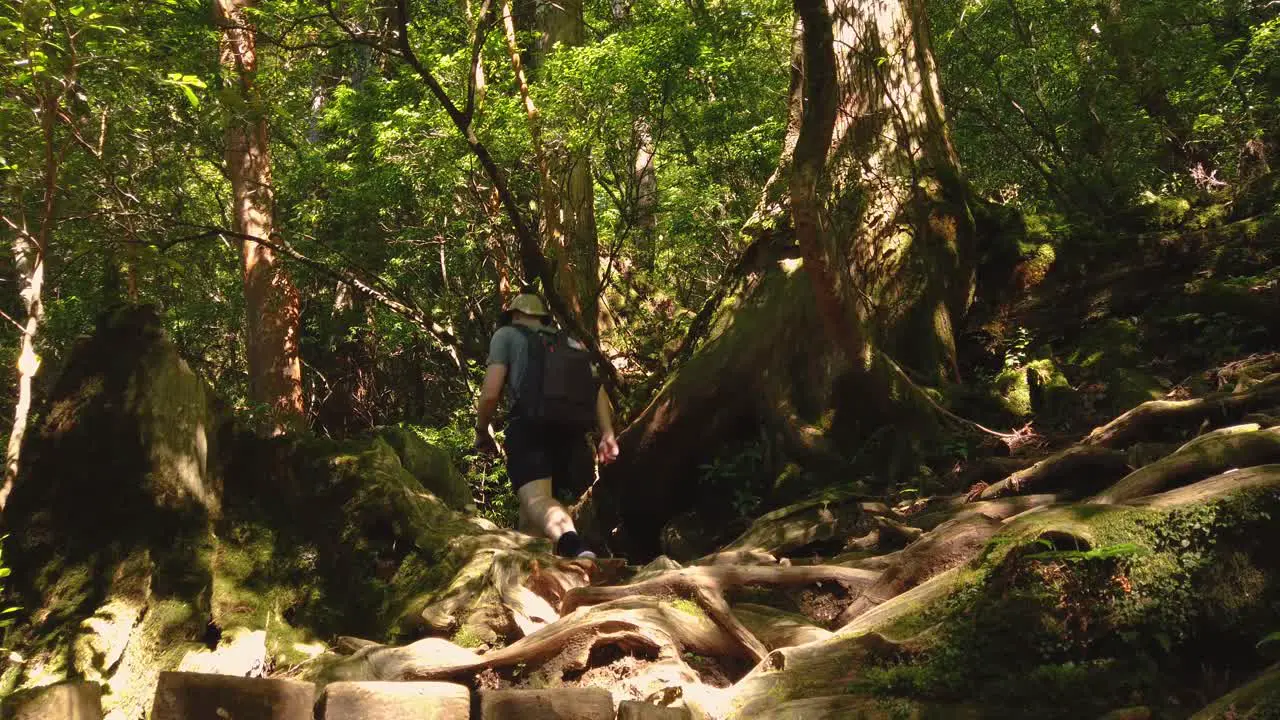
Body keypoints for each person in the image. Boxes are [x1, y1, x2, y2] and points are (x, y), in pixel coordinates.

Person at [474, 293, 620, 558]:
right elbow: (596, 389)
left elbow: (490, 393)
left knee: (537, 500)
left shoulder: (506, 335)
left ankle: (576, 549)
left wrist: (482, 430)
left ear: (515, 315)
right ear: (543, 317)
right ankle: (536, 569)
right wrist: (607, 433)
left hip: (530, 427)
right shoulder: (571, 342)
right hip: (572, 435)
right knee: (534, 510)